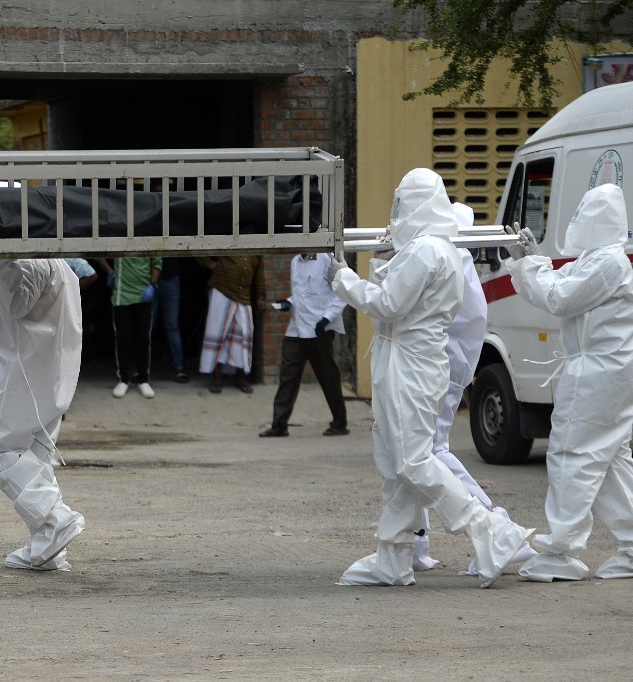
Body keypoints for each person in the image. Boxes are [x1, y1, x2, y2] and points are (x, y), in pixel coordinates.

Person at [327, 168, 533, 588]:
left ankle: (491, 531)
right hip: (405, 360)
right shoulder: (429, 249)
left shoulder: (427, 251)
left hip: (412, 364)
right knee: (396, 461)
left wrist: (344, 280)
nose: (395, 212)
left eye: (401, 203)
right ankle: (394, 555)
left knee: (414, 459)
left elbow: (386, 304)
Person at [506, 183, 633, 582]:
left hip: (599, 371)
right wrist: (530, 260)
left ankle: (562, 550)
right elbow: (556, 284)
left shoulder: (609, 262)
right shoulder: (598, 259)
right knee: (608, 459)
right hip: (603, 370)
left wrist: (530, 264)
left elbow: (561, 298)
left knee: (571, 455)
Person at [411, 203, 535, 572]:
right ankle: (413, 544)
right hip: (444, 368)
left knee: (427, 454)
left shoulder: (447, 259)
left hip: (436, 369)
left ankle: (498, 529)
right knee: (414, 456)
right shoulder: (456, 258)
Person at [0, 258, 85, 571]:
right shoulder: (61, 264)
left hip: (22, 368)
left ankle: (54, 519)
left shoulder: (23, 260)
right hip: (50, 372)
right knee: (34, 455)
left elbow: (16, 302)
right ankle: (47, 545)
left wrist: (0, 259)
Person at [259, 252, 349, 438]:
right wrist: (287, 302)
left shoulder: (328, 260)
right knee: (288, 377)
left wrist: (326, 319)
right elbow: (301, 294)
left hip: (319, 329)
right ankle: (279, 425)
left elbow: (342, 293)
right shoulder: (295, 262)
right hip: (296, 328)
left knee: (328, 377)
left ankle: (339, 423)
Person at [198, 255, 266, 394]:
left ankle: (240, 378)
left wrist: (261, 296)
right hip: (221, 289)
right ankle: (216, 379)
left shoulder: (257, 246)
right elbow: (201, 244)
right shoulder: (227, 234)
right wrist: (208, 263)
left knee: (244, 334)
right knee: (216, 333)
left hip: (243, 295)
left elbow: (259, 274)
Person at [98, 257, 161, 399]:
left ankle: (143, 380)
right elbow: (97, 251)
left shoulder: (148, 235)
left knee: (143, 339)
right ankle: (123, 380)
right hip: (122, 295)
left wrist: (153, 284)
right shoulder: (118, 235)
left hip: (144, 294)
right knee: (122, 338)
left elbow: (157, 261)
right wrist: (110, 272)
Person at [154, 257, 188, 383]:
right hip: (148, 279)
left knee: (172, 326)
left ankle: (179, 367)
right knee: (147, 326)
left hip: (171, 278)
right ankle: (141, 367)